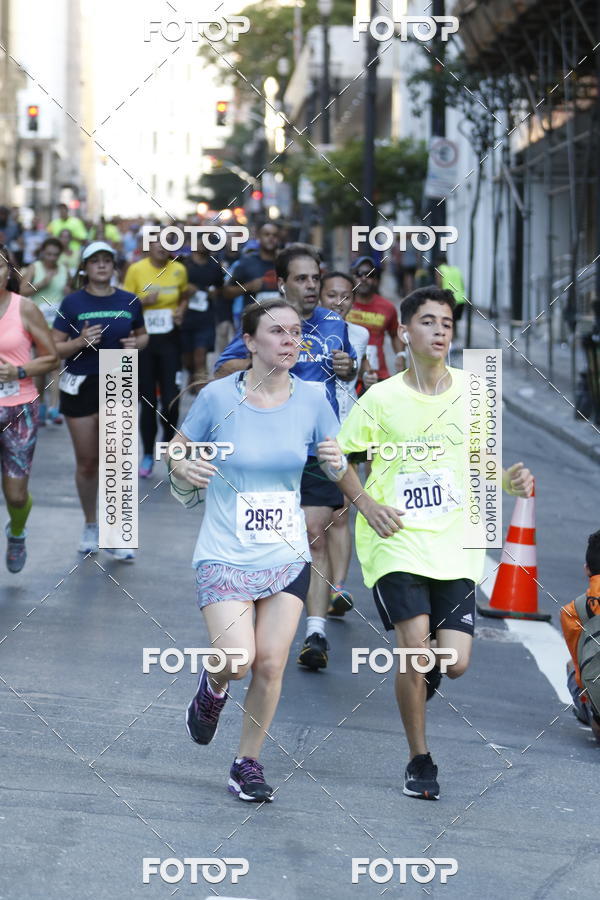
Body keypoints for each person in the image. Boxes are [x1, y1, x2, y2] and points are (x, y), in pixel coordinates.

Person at [335, 285, 534, 800]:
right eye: (428, 321)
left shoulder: (475, 392)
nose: (440, 330)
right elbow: (337, 457)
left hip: (454, 546)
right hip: (395, 540)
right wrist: (367, 506)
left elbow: (482, 463)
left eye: (446, 322)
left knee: (456, 661)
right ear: (405, 331)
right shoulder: (379, 397)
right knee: (414, 648)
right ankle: (419, 759)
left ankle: (416, 688)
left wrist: (509, 480)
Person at [168, 298, 345, 802]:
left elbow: (333, 462)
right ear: (249, 342)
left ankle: (247, 762)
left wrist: (334, 460)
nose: (291, 340)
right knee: (238, 658)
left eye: (296, 333)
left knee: (270, 663)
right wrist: (183, 467)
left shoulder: (313, 398)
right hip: (225, 551)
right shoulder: (219, 396)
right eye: (278, 332)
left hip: (286, 555)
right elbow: (179, 448)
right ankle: (214, 684)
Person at [214, 244, 357, 669]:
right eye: (301, 279)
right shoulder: (264, 322)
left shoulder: (334, 322)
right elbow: (223, 369)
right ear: (282, 284)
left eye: (316, 278)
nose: (312, 286)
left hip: (317, 446)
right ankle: (257, 613)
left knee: (315, 530)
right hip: (270, 448)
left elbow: (346, 372)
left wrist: (348, 367)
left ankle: (315, 632)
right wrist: (267, 364)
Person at [51, 242, 148, 558]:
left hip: (118, 375)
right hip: (80, 382)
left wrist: (137, 344)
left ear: (115, 267)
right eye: (96, 262)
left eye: (108, 261)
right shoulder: (73, 301)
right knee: (88, 462)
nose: (102, 266)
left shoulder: (130, 300)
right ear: (85, 268)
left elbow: (142, 335)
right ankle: (91, 524)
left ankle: (117, 533)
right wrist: (80, 341)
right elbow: (55, 348)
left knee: (117, 461)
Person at [319, 271, 375, 616]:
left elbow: (366, 375)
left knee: (340, 513)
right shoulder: (302, 331)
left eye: (345, 296)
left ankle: (337, 587)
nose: (339, 303)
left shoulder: (360, 334)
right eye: (331, 295)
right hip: (307, 435)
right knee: (310, 519)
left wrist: (368, 377)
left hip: (346, 431)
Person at [0, 245, 58, 572]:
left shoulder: (25, 309)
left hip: (18, 409)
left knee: (16, 496)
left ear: (9, 271)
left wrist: (19, 371)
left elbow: (52, 357)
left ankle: (17, 530)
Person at [123, 230, 189, 478]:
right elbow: (125, 302)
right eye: (158, 242)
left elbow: (183, 296)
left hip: (171, 340)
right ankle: (148, 453)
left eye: (168, 242)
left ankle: (168, 442)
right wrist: (143, 302)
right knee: (148, 399)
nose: (163, 247)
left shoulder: (178, 270)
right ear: (148, 246)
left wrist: (181, 311)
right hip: (145, 342)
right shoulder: (136, 270)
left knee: (172, 398)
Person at [19, 237, 70, 424]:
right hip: (37, 323)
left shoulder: (64, 269)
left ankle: (54, 408)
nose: (52, 257)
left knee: (56, 364)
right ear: (42, 253)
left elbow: (70, 292)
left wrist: (68, 290)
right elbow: (21, 290)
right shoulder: (35, 268)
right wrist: (41, 284)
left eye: (55, 254)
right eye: (48, 254)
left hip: (57, 323)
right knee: (41, 368)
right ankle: (40, 405)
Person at [560, 530, 600, 744]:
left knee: (571, 665)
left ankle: (591, 716)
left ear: (587, 569)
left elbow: (582, 673)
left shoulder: (572, 611)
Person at [347, 256, 403, 382]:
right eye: (358, 274)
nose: (364, 279)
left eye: (369, 275)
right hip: (348, 376)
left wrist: (400, 355)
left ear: (376, 280)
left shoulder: (387, 307)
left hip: (378, 376)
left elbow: (395, 334)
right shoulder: (343, 305)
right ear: (351, 278)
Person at [180, 237, 224, 392]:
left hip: (205, 317)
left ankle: (202, 393)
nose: (201, 245)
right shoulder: (183, 264)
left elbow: (221, 289)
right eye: (199, 241)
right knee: (187, 359)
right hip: (184, 316)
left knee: (200, 355)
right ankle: (192, 374)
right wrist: (185, 289)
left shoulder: (214, 266)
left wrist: (214, 292)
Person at [220, 222, 280, 311]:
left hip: (281, 317)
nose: (271, 238)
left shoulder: (285, 263)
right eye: (267, 234)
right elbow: (226, 292)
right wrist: (248, 286)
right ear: (259, 237)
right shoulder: (246, 263)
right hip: (253, 319)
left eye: (274, 235)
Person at [435, 253, 466, 336]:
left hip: (449, 299)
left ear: (438, 262)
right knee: (453, 320)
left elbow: (439, 284)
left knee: (447, 320)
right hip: (461, 298)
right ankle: (454, 336)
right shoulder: (456, 269)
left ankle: (450, 340)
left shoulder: (440, 269)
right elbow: (462, 284)